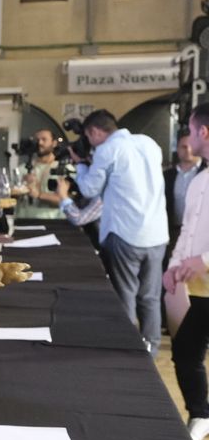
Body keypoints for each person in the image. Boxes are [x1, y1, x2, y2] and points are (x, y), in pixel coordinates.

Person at [73, 109, 168, 354]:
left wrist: (81, 166)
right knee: (150, 297)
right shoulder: (149, 143)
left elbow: (90, 189)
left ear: (94, 131)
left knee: (126, 295)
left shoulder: (108, 150)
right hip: (157, 233)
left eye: (88, 137)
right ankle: (151, 348)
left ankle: (126, 349)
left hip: (126, 233)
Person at [163, 103, 209, 440]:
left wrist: (205, 259)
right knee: (185, 354)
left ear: (203, 133)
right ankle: (200, 413)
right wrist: (174, 266)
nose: (189, 137)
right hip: (195, 290)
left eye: (191, 131)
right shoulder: (200, 180)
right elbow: (188, 230)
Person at [166, 133, 204, 256]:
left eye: (190, 146)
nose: (188, 150)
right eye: (183, 146)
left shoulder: (205, 173)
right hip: (172, 230)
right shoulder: (167, 175)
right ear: (177, 149)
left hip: (199, 233)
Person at [18, 128, 66, 220]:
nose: (40, 143)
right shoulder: (22, 169)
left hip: (54, 223)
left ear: (54, 143)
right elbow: (10, 198)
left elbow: (65, 200)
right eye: (37, 140)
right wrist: (21, 188)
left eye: (44, 139)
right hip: (23, 221)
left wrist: (39, 195)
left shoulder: (63, 169)